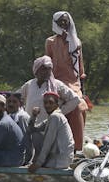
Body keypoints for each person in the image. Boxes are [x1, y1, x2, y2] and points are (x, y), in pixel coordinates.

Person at [20, 56, 81, 159]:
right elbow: (18, 99)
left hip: (49, 126)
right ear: (36, 70)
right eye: (44, 69)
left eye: (49, 69)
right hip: (31, 125)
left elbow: (75, 100)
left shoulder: (57, 85)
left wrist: (59, 112)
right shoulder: (29, 84)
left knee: (44, 153)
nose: (48, 71)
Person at [46, 11, 88, 150]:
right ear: (55, 23)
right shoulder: (50, 42)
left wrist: (83, 90)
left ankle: (77, 147)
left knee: (79, 107)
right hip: (56, 82)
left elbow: (80, 69)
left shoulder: (76, 41)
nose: (63, 24)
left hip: (74, 84)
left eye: (65, 21)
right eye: (60, 21)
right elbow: (47, 64)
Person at [28, 91, 75, 172]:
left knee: (39, 138)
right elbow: (33, 129)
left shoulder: (55, 117)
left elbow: (48, 142)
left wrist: (38, 164)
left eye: (50, 102)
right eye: (45, 103)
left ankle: (39, 161)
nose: (47, 105)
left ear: (57, 104)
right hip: (59, 158)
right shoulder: (52, 117)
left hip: (59, 160)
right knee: (36, 134)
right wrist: (34, 116)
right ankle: (39, 160)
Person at [6, 92, 32, 164]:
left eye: (14, 102)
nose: (11, 104)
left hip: (20, 156)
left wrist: (26, 159)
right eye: (9, 102)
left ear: (20, 103)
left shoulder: (22, 117)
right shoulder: (10, 115)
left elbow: (26, 139)